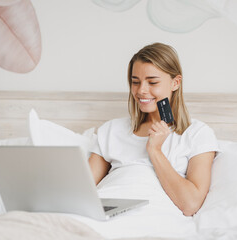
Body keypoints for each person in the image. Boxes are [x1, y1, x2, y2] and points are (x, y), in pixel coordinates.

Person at [88, 42, 219, 216]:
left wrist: (155, 151)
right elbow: (81, 191)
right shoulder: (111, 130)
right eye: (135, 82)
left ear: (175, 83)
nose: (141, 90)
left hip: (154, 215)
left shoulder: (197, 134)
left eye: (152, 82)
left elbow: (190, 204)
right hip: (102, 213)